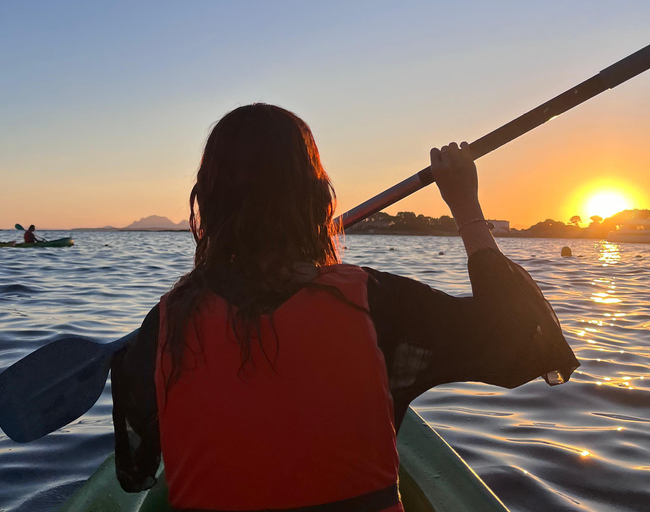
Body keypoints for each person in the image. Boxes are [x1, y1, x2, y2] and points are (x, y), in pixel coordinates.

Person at [110, 104, 579, 512]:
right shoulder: (377, 305)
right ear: (316, 199)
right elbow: (526, 343)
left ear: (208, 203)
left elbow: (136, 470)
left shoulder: (164, 325)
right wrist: (467, 210)